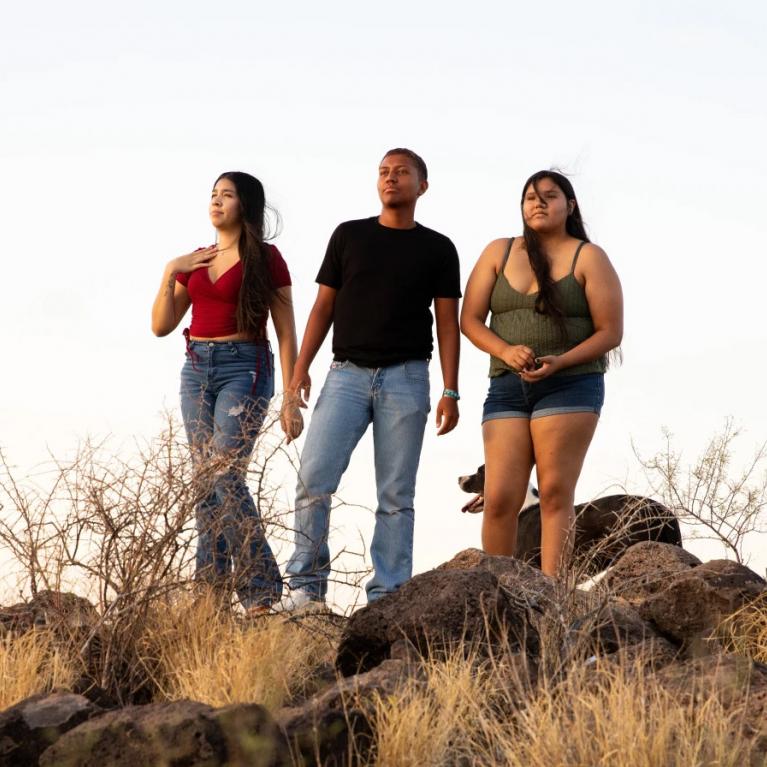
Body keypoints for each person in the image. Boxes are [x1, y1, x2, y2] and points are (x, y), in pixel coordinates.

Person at [275, 148, 461, 610]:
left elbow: (447, 323)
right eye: (383, 172)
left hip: (407, 378)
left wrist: (450, 390)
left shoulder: (439, 248)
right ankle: (305, 589)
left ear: (423, 185)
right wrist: (300, 370)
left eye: (401, 172)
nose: (390, 178)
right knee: (313, 478)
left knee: (396, 494)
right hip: (345, 376)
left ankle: (389, 595)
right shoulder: (349, 236)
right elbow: (323, 307)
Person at [150, 171, 303, 613]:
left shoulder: (267, 259)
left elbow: (287, 334)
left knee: (224, 474)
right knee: (205, 484)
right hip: (196, 368)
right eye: (213, 195)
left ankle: (260, 589)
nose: (216, 202)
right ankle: (210, 597)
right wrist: (170, 271)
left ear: (245, 205)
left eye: (227, 195)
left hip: (245, 366)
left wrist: (291, 398)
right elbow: (161, 325)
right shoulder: (195, 261)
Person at [460, 170, 623, 577]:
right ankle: (497, 593)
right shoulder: (499, 251)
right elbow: (471, 319)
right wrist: (505, 350)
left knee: (553, 493)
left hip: (570, 384)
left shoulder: (588, 256)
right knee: (499, 496)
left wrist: (561, 361)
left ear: (569, 206)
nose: (538, 202)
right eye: (530, 197)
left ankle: (553, 598)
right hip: (506, 387)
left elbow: (611, 331)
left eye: (550, 196)